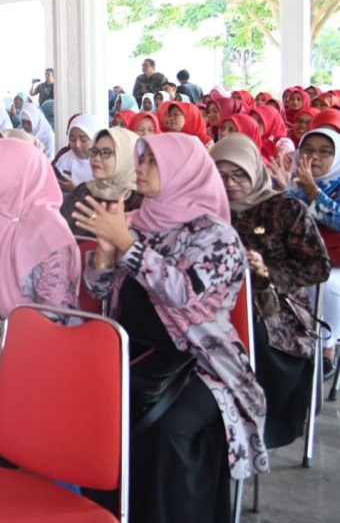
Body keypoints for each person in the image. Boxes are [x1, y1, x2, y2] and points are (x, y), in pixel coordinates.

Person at [75, 133, 268, 523]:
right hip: (134, 355)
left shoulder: (216, 235)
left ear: (181, 171)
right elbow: (98, 292)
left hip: (200, 362)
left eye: (152, 162)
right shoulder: (133, 221)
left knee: (170, 431)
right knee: (89, 414)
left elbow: (184, 295)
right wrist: (103, 258)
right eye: (140, 160)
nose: (140, 169)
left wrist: (126, 245)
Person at [210, 135, 330, 449]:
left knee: (254, 336)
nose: (231, 183)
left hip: (275, 305)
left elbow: (318, 266)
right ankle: (213, 422)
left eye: (239, 174)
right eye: (221, 175)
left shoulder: (285, 208)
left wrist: (268, 271)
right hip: (216, 301)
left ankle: (257, 422)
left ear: (254, 170)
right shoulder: (209, 209)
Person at [0, 138, 80, 328]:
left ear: (17, 172)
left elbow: (54, 317)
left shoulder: (49, 232)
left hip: (37, 344)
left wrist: (2, 338)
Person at [272, 127, 340, 379]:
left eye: (325, 152)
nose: (315, 157)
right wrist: (280, 191)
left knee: (328, 287)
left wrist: (314, 192)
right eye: (309, 150)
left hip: (334, 263)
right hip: (294, 259)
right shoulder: (288, 178)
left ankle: (327, 347)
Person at [61, 127, 143, 240]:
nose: (96, 158)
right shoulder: (84, 190)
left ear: (125, 156)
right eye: (94, 152)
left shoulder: (139, 200)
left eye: (106, 153)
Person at [54, 114, 105, 190]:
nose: (77, 145)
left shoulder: (106, 163)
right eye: (72, 139)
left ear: (96, 139)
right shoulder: (65, 160)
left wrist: (75, 190)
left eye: (83, 140)